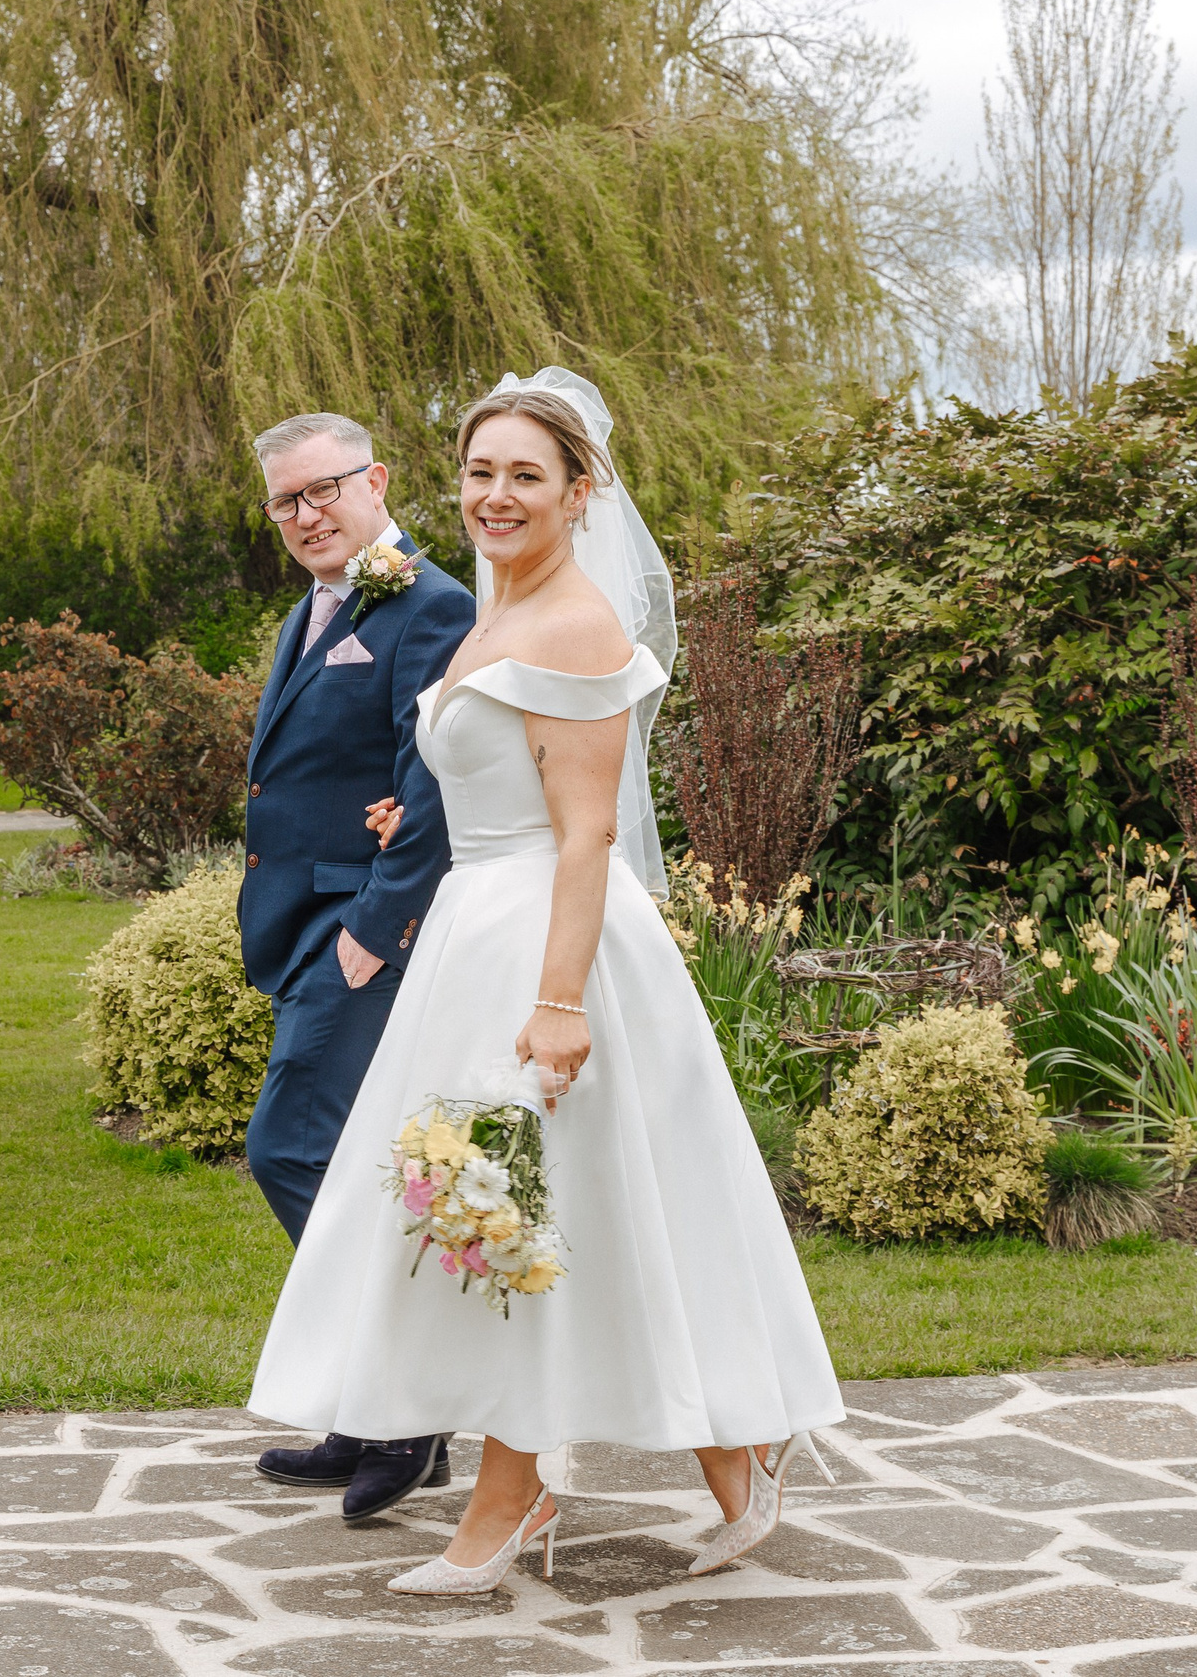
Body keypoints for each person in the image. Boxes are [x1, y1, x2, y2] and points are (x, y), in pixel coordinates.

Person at [247, 369, 844, 1593]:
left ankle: (513, 1500)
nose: (495, 496)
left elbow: (583, 832)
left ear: (581, 491)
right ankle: (733, 1449)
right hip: (475, 931)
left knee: (508, 1211)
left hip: (547, 949)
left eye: (526, 474)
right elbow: (488, 772)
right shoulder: (489, 613)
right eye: (479, 472)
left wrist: (559, 1002)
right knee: (558, 1213)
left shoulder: (571, 620)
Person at [236, 413, 478, 1520]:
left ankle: (408, 1405)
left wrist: (372, 931)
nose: (304, 516)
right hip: (304, 919)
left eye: (322, 490)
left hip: (367, 926)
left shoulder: (427, 603)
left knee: (290, 1147)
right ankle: (373, 1404)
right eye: (285, 501)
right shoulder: (318, 606)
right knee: (340, 1162)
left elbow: (428, 781)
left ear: (375, 479)